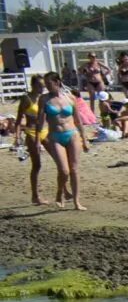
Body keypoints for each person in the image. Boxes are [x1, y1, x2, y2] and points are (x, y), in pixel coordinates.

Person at [37, 73, 85, 211]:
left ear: (57, 82)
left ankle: (76, 201)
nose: (46, 86)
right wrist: (37, 140)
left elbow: (78, 120)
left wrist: (84, 138)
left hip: (72, 134)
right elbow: (40, 121)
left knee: (74, 169)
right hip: (55, 136)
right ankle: (60, 192)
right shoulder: (44, 99)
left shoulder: (70, 97)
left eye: (48, 83)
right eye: (45, 84)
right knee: (64, 170)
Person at [15, 85, 46, 205]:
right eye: (40, 85)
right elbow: (19, 118)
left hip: (46, 131)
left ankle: (64, 190)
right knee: (37, 165)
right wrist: (17, 137)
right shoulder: (26, 99)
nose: (42, 88)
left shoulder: (44, 98)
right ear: (33, 85)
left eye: (43, 85)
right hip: (32, 132)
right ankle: (35, 196)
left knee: (60, 161)